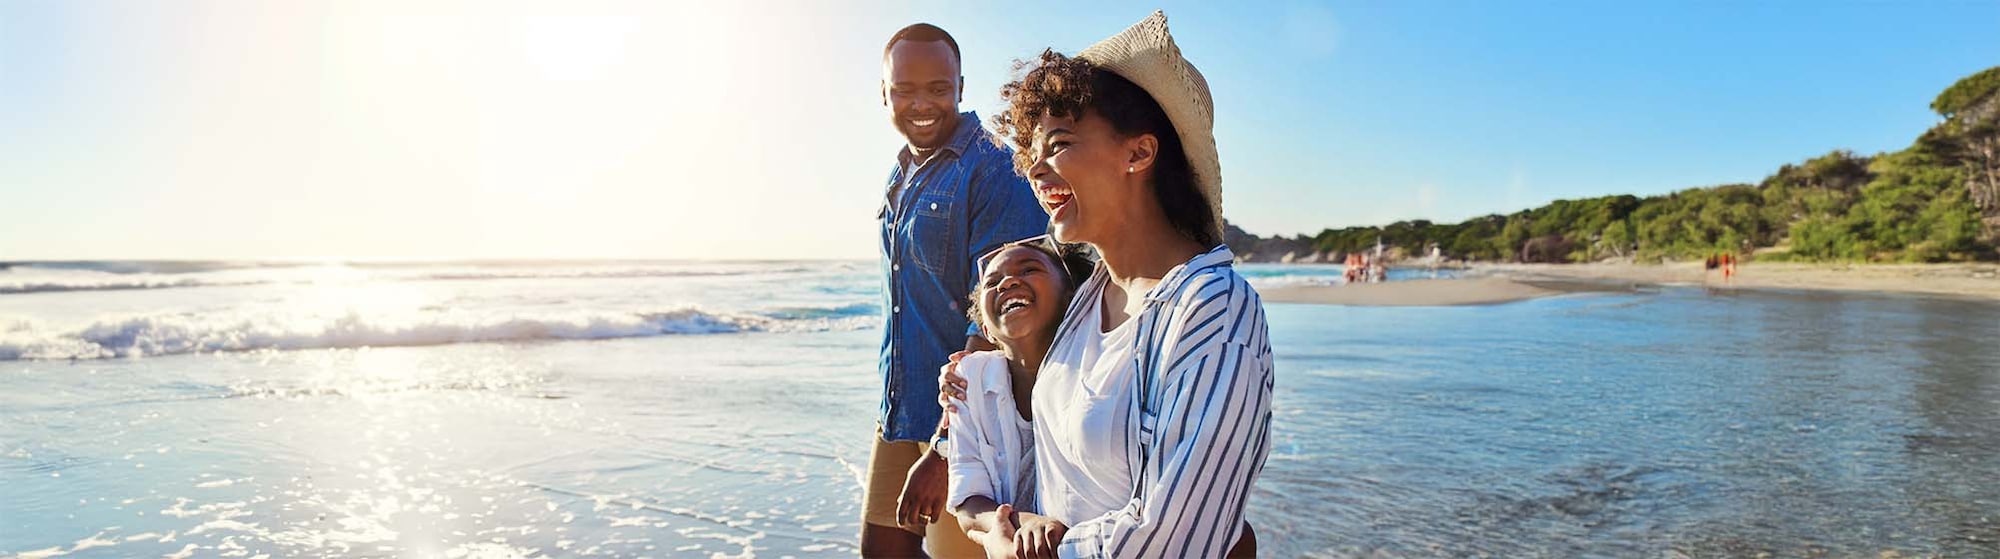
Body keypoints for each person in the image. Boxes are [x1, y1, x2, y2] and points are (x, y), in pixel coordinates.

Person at [943, 11, 1272, 558]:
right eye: (1033, 154)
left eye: (1059, 144)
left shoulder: (1212, 309)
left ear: (1138, 153)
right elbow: (1053, 449)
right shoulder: (1088, 297)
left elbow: (1174, 538)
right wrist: (971, 380)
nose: (1035, 170)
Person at [867, 22, 1049, 558]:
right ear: (884, 93)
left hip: (968, 423)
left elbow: (1002, 320)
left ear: (961, 86)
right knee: (881, 551)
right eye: (904, 90)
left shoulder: (992, 167)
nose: (921, 103)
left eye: (938, 89)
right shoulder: (901, 174)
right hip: (900, 411)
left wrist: (946, 447)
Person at [944, 238, 1091, 554]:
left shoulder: (1097, 376)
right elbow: (968, 499)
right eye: (992, 282)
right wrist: (1016, 524)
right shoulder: (968, 380)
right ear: (986, 330)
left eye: (1029, 269)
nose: (1008, 282)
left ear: (1072, 299)